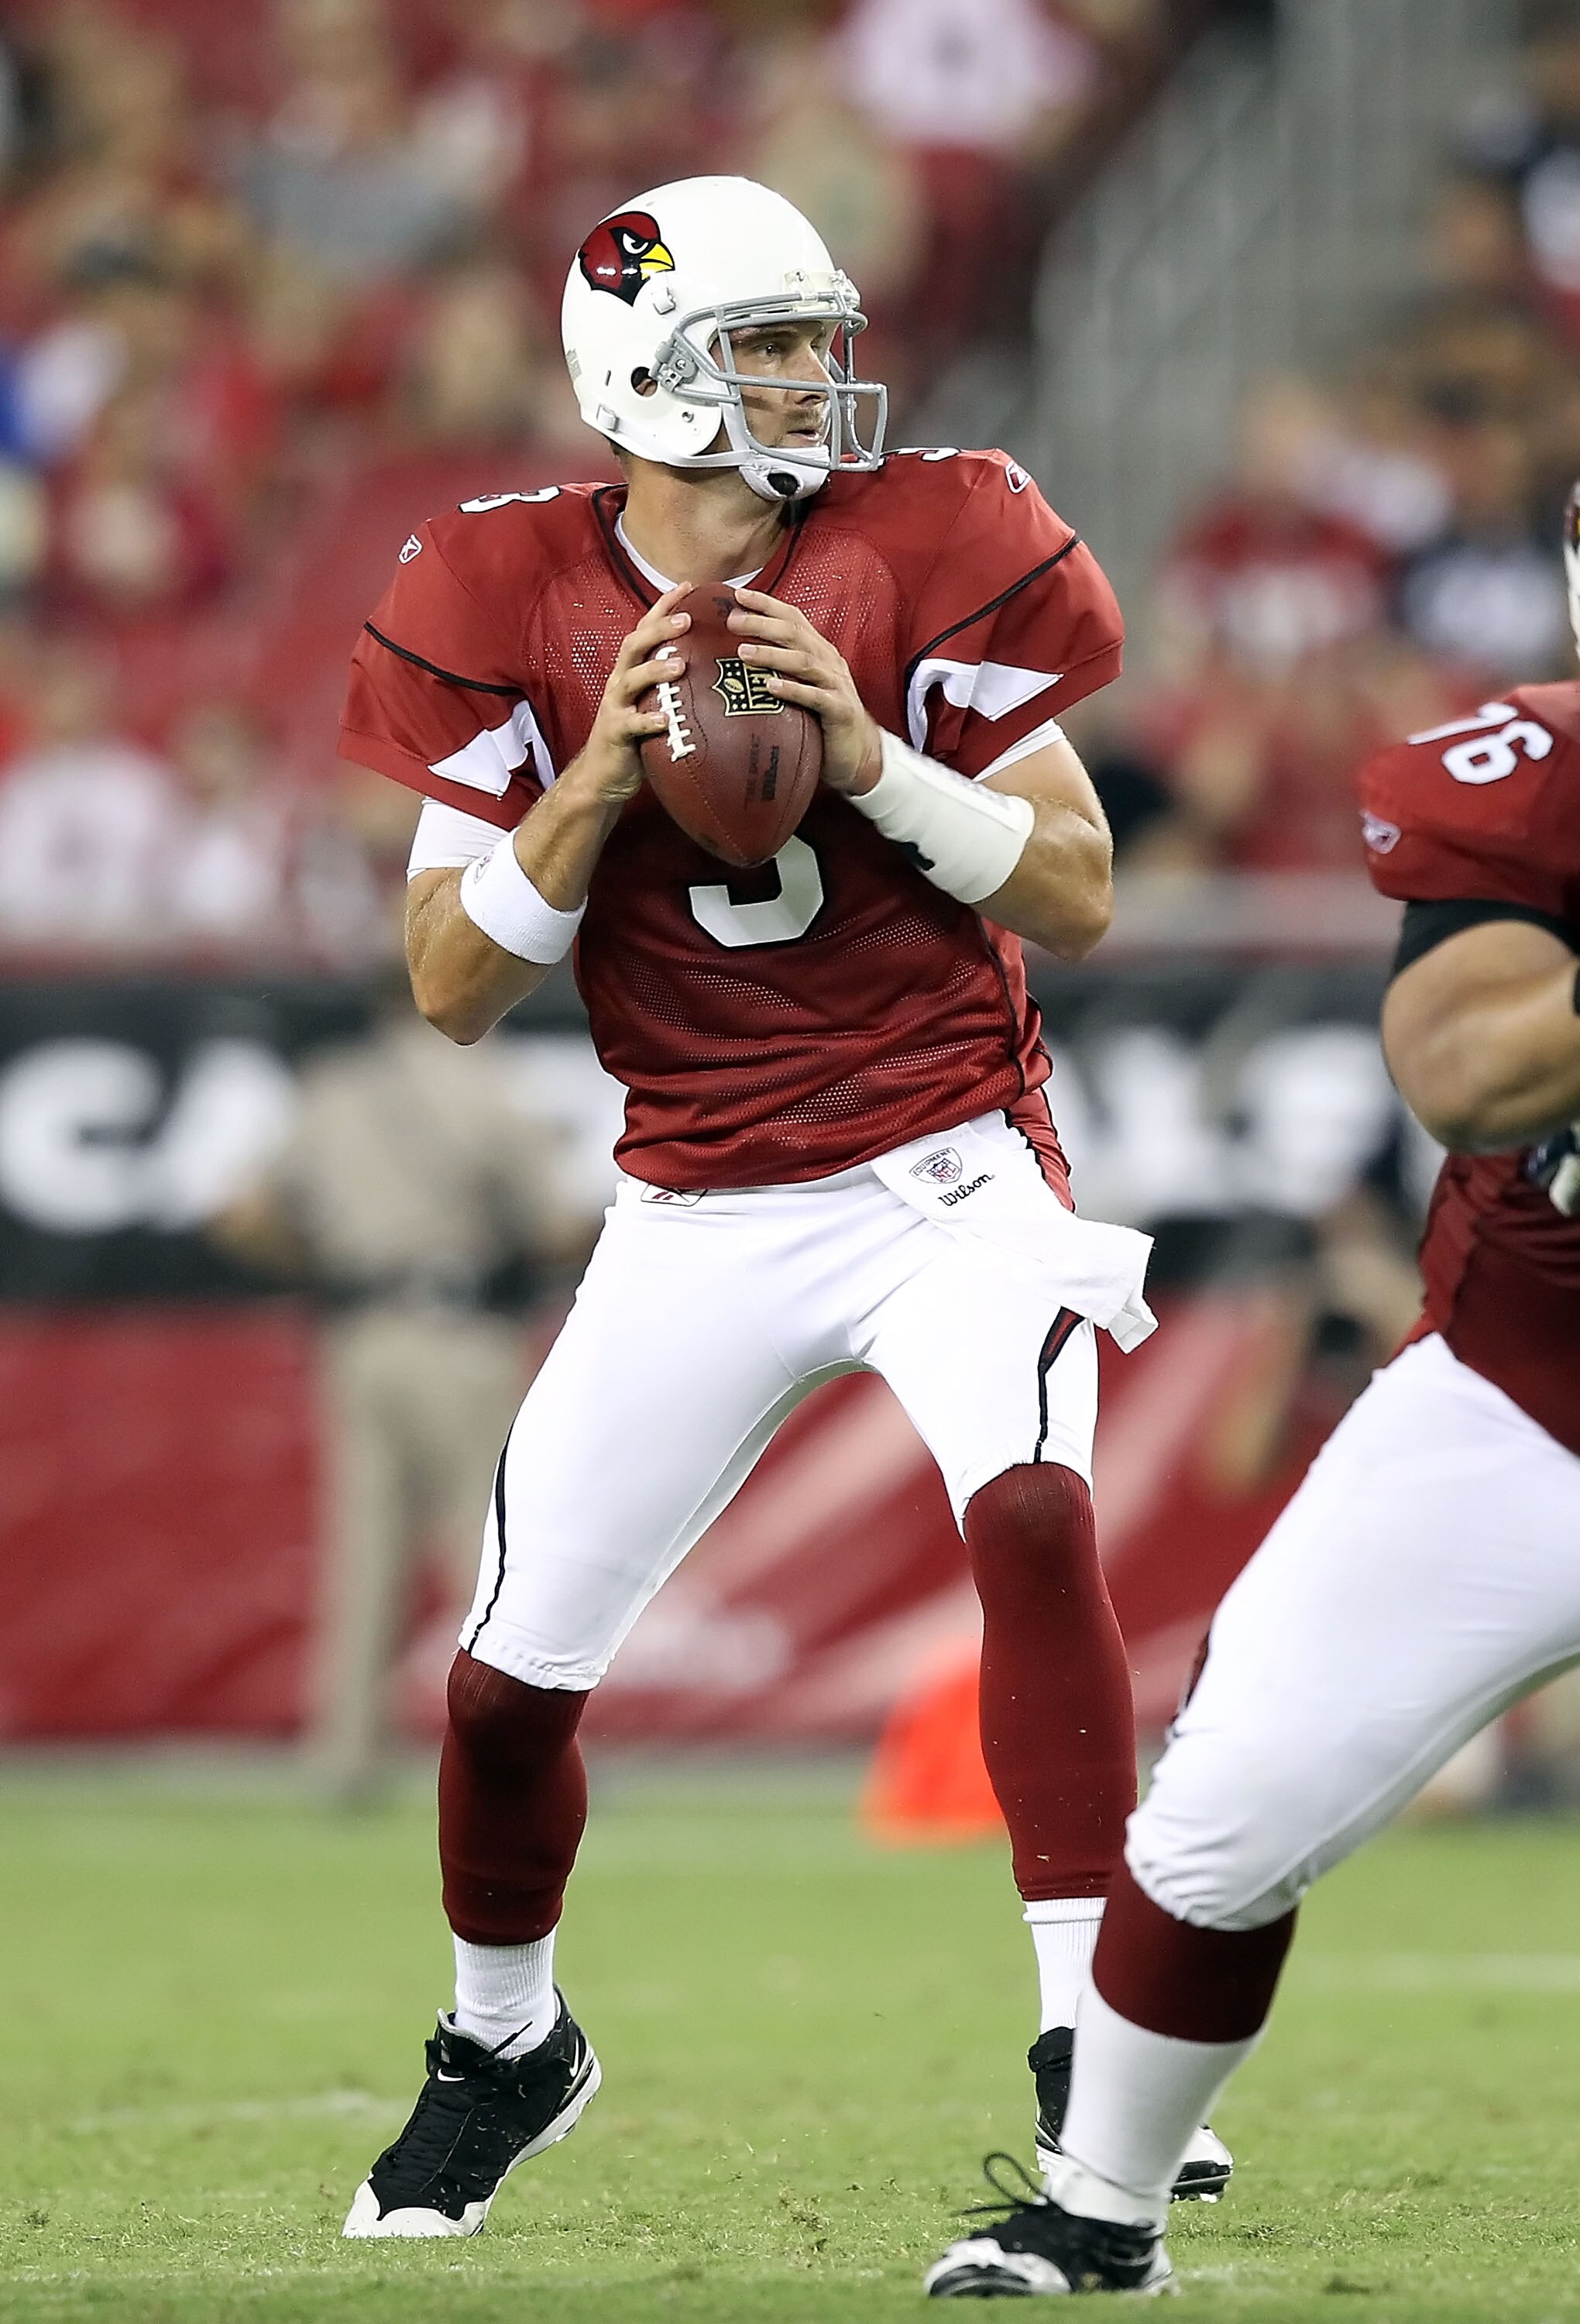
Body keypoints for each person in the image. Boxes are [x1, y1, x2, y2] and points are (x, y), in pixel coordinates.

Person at [333, 172, 1228, 2241]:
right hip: (697, 1199)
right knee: (502, 1689)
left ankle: (1098, 2044)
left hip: (945, 1159)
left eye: (820, 336)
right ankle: (503, 2040)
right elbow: (451, 989)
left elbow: (1079, 894)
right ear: (640, 379)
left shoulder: (941, 534)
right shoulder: (495, 594)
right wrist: (601, 776)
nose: (821, 380)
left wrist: (869, 763)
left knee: (1031, 1516)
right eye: (769, 347)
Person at [924, 490, 1580, 2298]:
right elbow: (1464, 1067)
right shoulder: (1529, 771)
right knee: (1225, 1814)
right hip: (1531, 1411)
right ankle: (1100, 2204)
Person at [215, 976, 582, 1799]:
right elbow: (552, 1226)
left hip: (362, 1333)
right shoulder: (487, 1086)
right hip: (462, 1335)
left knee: (366, 1547)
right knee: (491, 1555)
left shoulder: (335, 1088)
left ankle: (347, 1756)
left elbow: (239, 1214)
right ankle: (517, 1753)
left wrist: (327, 1270)